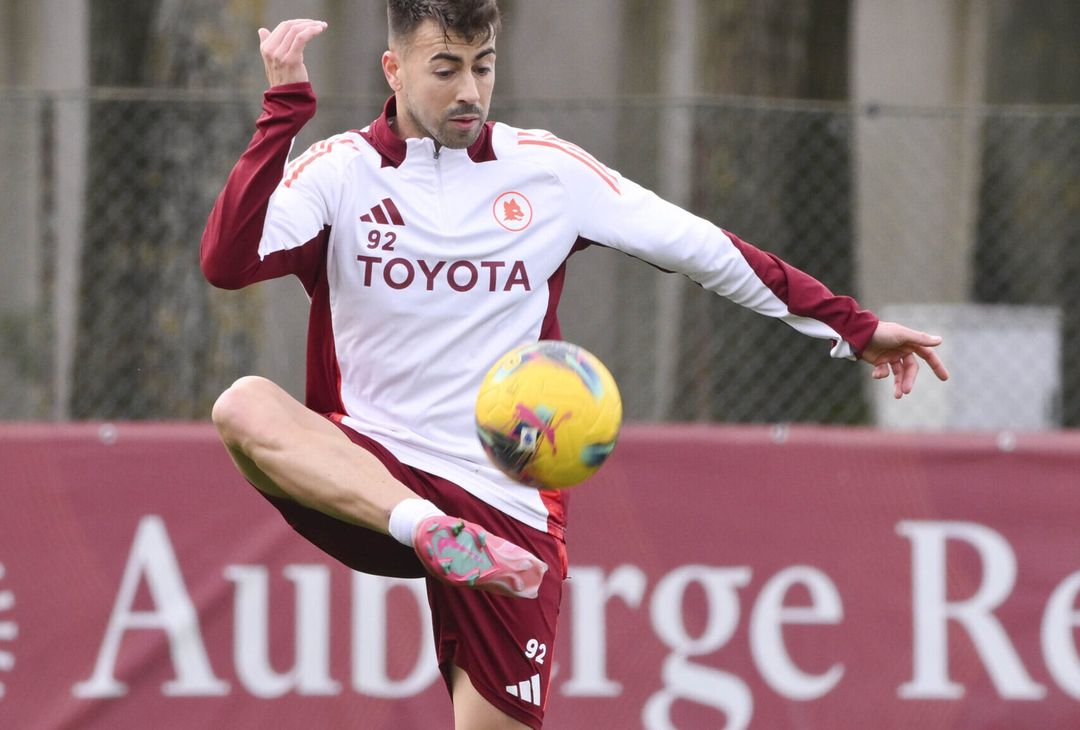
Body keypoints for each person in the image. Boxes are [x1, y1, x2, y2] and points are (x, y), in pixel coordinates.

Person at [200, 3, 950, 728]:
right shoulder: (340, 172)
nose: (469, 90)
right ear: (393, 69)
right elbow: (227, 261)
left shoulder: (547, 172)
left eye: (483, 66)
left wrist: (853, 326)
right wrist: (284, 110)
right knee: (243, 406)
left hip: (507, 505)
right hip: (372, 474)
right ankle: (430, 530)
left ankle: (459, 541)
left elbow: (703, 248)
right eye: (445, 69)